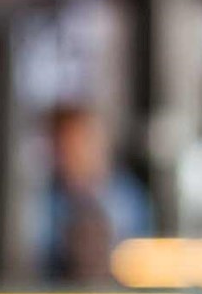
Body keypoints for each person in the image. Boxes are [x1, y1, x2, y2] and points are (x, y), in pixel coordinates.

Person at [37, 103, 148, 284]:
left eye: (82, 141)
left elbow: (140, 263)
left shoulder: (128, 198)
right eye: (65, 145)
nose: (75, 153)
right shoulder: (44, 202)